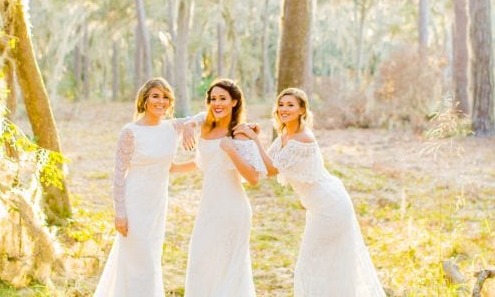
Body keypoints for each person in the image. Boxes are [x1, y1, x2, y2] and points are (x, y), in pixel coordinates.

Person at [235, 88, 386, 297]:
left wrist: (254, 139)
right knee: (327, 266)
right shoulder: (285, 136)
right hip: (319, 207)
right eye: (281, 104)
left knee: (311, 268)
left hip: (330, 205)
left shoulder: (303, 139)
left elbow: (272, 169)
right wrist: (250, 140)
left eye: (290, 105)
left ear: (302, 110)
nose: (284, 109)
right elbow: (264, 165)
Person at [94, 77, 203, 297]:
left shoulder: (172, 127)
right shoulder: (130, 131)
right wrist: (120, 213)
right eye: (155, 96)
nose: (161, 101)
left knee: (151, 258)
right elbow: (119, 175)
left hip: (157, 204)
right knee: (139, 259)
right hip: (134, 203)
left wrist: (191, 129)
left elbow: (206, 117)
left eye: (165, 97)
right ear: (144, 99)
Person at [179, 78, 266, 297]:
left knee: (228, 267)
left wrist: (231, 150)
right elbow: (205, 162)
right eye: (213, 99)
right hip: (208, 208)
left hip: (232, 208)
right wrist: (189, 125)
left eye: (223, 99)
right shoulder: (207, 124)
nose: (217, 103)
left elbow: (254, 177)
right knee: (201, 261)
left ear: (234, 102)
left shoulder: (240, 132)